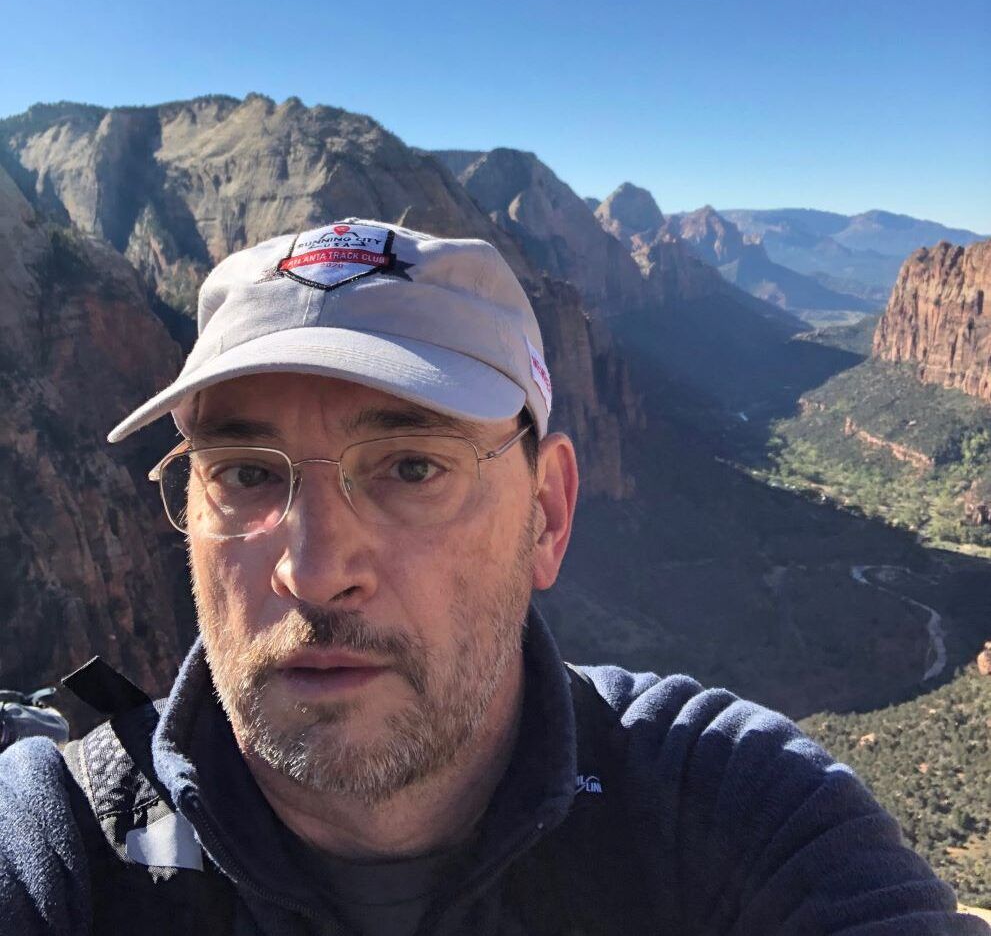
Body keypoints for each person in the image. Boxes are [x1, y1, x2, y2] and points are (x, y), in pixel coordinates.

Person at [0, 219, 985, 935]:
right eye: (246, 474)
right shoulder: (67, 843)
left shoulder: (725, 807)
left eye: (411, 467)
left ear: (547, 514)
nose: (311, 569)